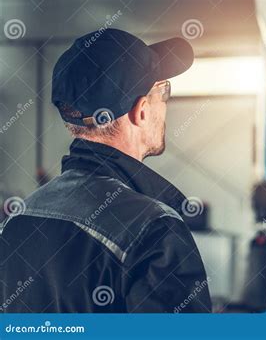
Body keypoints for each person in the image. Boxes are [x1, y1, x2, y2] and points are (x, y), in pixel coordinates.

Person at [0, 29, 211, 313]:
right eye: (163, 91)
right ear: (142, 110)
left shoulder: (17, 221)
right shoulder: (153, 231)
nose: (165, 104)